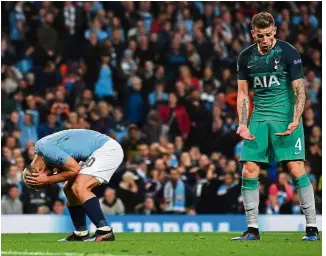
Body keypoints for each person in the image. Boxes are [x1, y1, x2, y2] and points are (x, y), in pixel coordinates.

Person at [233, 12, 318, 241]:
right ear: (253, 33)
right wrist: (242, 123)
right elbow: (243, 93)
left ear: (275, 32)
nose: (265, 40)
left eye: (269, 35)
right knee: (248, 169)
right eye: (260, 35)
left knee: (295, 169)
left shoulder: (288, 52)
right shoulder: (246, 57)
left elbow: (300, 90)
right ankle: (252, 229)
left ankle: (312, 228)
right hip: (260, 117)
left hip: (285, 115)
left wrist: (295, 118)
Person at [24, 129, 124, 242]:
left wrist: (47, 179)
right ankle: (80, 233)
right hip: (95, 150)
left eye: (42, 181)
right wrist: (48, 178)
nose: (51, 174)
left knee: (80, 187)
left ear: (39, 169)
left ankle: (105, 231)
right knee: (68, 188)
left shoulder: (47, 151)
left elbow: (75, 169)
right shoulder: (41, 149)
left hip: (106, 149)